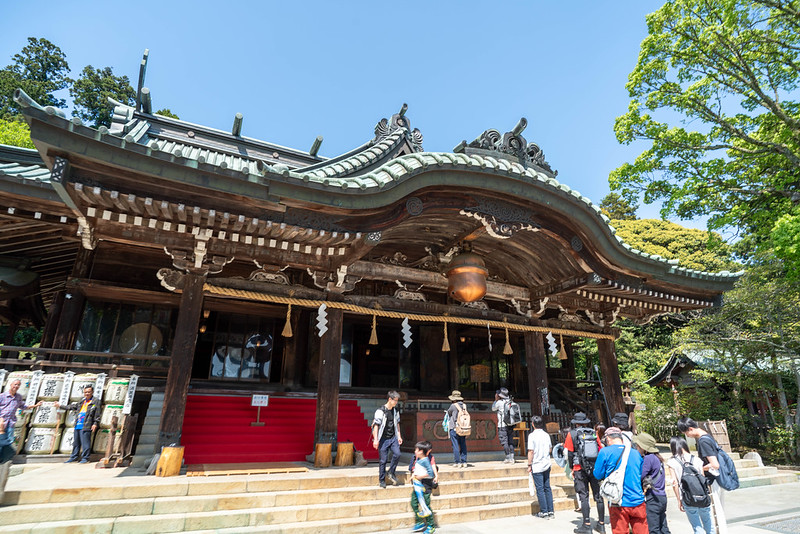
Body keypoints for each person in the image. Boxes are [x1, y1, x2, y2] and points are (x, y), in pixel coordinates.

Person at [677, 417, 727, 534]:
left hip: (714, 480)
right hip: (717, 479)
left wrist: (698, 469)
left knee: (716, 516)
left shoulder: (703, 441)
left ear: (690, 429)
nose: (687, 436)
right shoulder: (708, 436)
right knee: (717, 514)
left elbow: (715, 464)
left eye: (686, 433)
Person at [594, 426, 648, 534]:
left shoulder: (605, 452)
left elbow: (597, 474)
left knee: (620, 531)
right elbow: (641, 474)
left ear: (608, 438)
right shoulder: (635, 453)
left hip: (617, 501)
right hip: (637, 499)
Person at [565, 412, 605, 533]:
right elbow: (600, 449)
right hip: (594, 468)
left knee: (584, 497)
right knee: (598, 496)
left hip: (579, 468)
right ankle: (601, 525)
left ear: (575, 423)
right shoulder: (593, 433)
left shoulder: (571, 434)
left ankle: (587, 525)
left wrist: (572, 467)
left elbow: (569, 453)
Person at [667, 436, 715, 534]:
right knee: (708, 524)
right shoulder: (697, 460)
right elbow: (702, 479)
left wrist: (679, 500)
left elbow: (674, 483)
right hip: (702, 496)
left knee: (697, 526)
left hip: (687, 497)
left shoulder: (672, 462)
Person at [633, 432, 671, 534]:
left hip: (653, 498)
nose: (636, 447)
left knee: (653, 529)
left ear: (642, 446)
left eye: (637, 445)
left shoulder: (648, 458)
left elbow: (640, 476)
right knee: (663, 528)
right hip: (661, 496)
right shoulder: (657, 458)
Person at [55, 384, 101, 464]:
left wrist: (95, 423)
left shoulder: (95, 401)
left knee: (85, 443)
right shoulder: (82, 401)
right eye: (85, 392)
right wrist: (60, 406)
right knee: (76, 443)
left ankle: (85, 458)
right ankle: (74, 457)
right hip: (78, 425)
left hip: (87, 424)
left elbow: (97, 413)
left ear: (92, 392)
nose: (87, 393)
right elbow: (72, 407)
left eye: (89, 392)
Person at [372, 390, 403, 488]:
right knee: (383, 460)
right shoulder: (380, 411)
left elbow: (397, 424)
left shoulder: (395, 411)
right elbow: (376, 426)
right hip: (383, 438)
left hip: (393, 437)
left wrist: (399, 436)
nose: (396, 402)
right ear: (390, 399)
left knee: (397, 454)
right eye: (395, 400)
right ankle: (382, 480)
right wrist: (376, 439)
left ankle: (391, 472)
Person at [527, 415, 555, 519]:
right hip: (546, 463)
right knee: (547, 487)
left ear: (533, 424)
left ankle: (544, 511)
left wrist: (529, 464)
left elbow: (531, 451)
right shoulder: (546, 435)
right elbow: (550, 449)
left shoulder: (532, 436)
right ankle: (551, 510)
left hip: (537, 464)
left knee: (540, 489)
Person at [410, 440, 436, 534]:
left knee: (426, 506)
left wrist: (419, 477)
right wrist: (413, 476)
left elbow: (430, 473)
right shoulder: (418, 459)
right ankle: (419, 522)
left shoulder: (425, 460)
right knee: (414, 503)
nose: (415, 451)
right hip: (417, 486)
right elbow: (417, 470)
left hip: (425, 486)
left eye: (416, 449)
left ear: (421, 451)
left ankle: (431, 525)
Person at [491, 387, 516, 464]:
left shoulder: (499, 403)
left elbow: (493, 409)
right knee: (510, 441)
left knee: (504, 441)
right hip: (511, 424)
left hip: (502, 425)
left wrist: (495, 400)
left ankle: (508, 457)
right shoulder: (511, 402)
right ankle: (512, 457)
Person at [446, 390, 468, 468]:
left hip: (454, 428)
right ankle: (464, 461)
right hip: (463, 428)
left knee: (455, 445)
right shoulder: (465, 406)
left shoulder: (453, 406)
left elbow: (449, 413)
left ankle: (457, 462)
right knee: (463, 444)